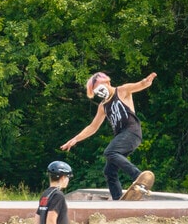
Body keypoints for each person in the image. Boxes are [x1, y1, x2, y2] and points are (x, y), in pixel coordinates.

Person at [60, 72, 157, 200]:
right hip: (121, 136)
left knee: (110, 152)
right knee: (109, 171)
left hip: (132, 131)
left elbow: (139, 85)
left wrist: (146, 82)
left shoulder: (122, 91)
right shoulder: (103, 106)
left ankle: (138, 176)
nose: (99, 93)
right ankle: (118, 199)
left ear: (107, 82)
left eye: (100, 88)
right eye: (96, 91)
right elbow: (93, 127)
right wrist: (75, 139)